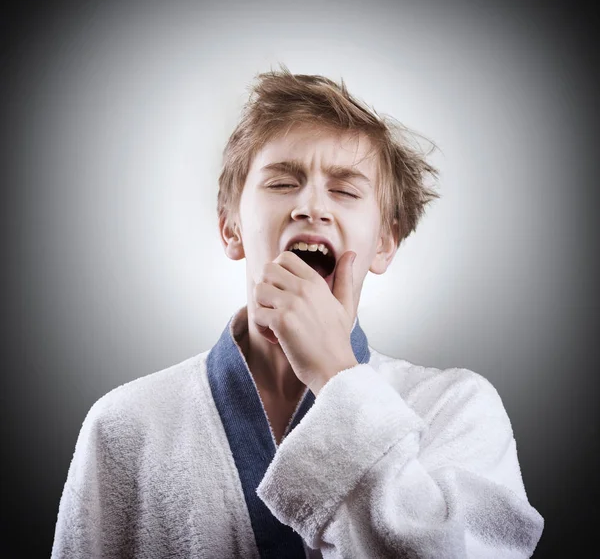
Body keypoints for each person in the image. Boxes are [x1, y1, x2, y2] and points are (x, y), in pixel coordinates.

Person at [51, 66, 544, 558]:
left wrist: (337, 376)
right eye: (282, 183)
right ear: (231, 230)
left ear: (385, 243)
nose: (311, 205)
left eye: (346, 191)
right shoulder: (126, 424)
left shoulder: (455, 408)